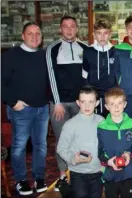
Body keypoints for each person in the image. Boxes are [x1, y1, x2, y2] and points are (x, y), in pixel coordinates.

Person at [1, 22, 49, 195]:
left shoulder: (44, 55)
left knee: (41, 146)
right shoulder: (10, 56)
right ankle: (21, 180)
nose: (35, 36)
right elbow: (2, 82)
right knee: (19, 146)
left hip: (42, 108)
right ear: (23, 35)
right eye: (30, 33)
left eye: (38, 34)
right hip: (21, 110)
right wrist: (13, 102)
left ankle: (39, 177)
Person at [46, 15, 87, 191]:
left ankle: (80, 173)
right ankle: (63, 175)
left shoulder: (85, 48)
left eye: (72, 26)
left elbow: (87, 77)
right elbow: (51, 76)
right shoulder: (52, 49)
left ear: (77, 28)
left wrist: (86, 102)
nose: (69, 30)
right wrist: (57, 102)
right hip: (59, 104)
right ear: (60, 29)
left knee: (81, 138)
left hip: (80, 103)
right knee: (63, 140)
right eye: (65, 26)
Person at [56, 85, 105, 198]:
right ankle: (66, 190)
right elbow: (61, 148)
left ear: (97, 103)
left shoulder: (102, 122)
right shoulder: (70, 124)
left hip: (97, 171)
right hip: (78, 172)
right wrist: (73, 159)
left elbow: (106, 144)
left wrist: (106, 163)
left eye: (91, 102)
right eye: (83, 102)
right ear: (78, 103)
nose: (87, 106)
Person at [97, 87, 132, 198]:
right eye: (112, 104)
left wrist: (129, 154)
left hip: (128, 172)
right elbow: (99, 151)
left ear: (125, 104)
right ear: (106, 106)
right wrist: (107, 162)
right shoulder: (102, 127)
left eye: (119, 103)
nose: (116, 107)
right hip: (110, 174)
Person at [83, 19, 117, 117]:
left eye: (105, 33)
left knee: (111, 123)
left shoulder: (116, 52)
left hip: (111, 96)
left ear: (110, 34)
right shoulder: (88, 52)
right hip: (94, 96)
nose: (102, 36)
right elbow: (84, 76)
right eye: (99, 33)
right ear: (94, 34)